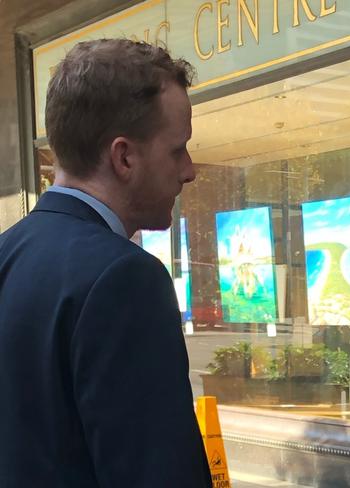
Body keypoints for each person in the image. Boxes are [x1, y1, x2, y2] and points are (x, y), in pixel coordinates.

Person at [0, 39, 212, 487]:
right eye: (178, 149)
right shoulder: (125, 277)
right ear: (124, 157)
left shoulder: (7, 254)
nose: (190, 169)